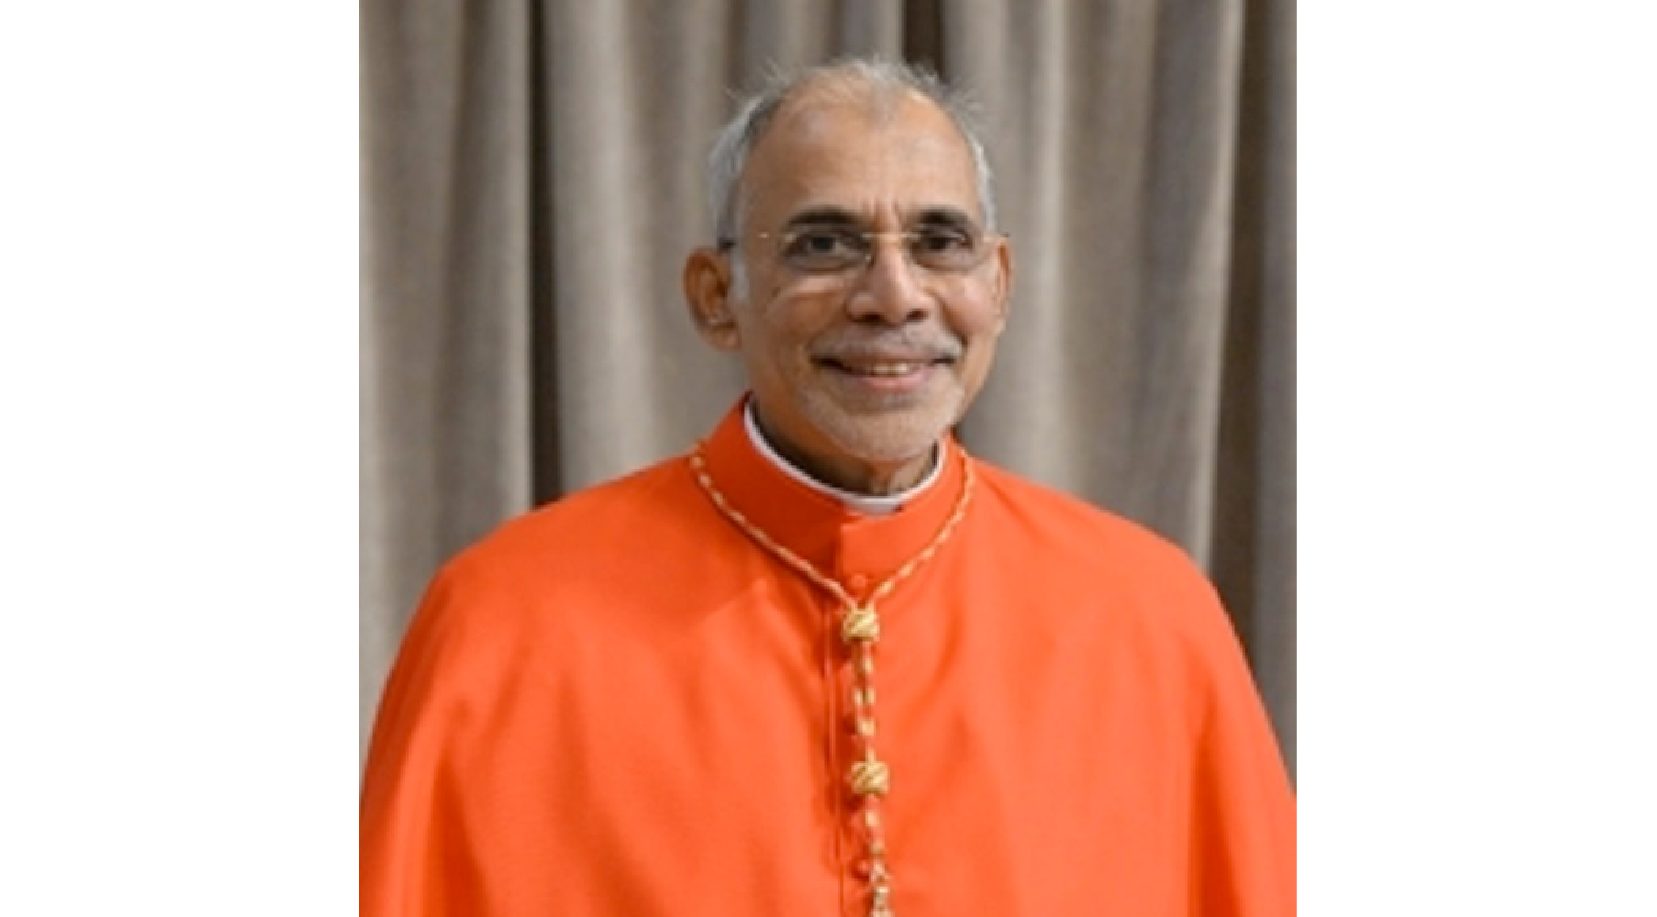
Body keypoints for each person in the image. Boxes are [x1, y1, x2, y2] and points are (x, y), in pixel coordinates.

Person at [361, 57, 1295, 917]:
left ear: (999, 285)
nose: (894, 296)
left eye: (939, 242)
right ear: (715, 296)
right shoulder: (504, 620)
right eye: (823, 244)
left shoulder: (1150, 615)